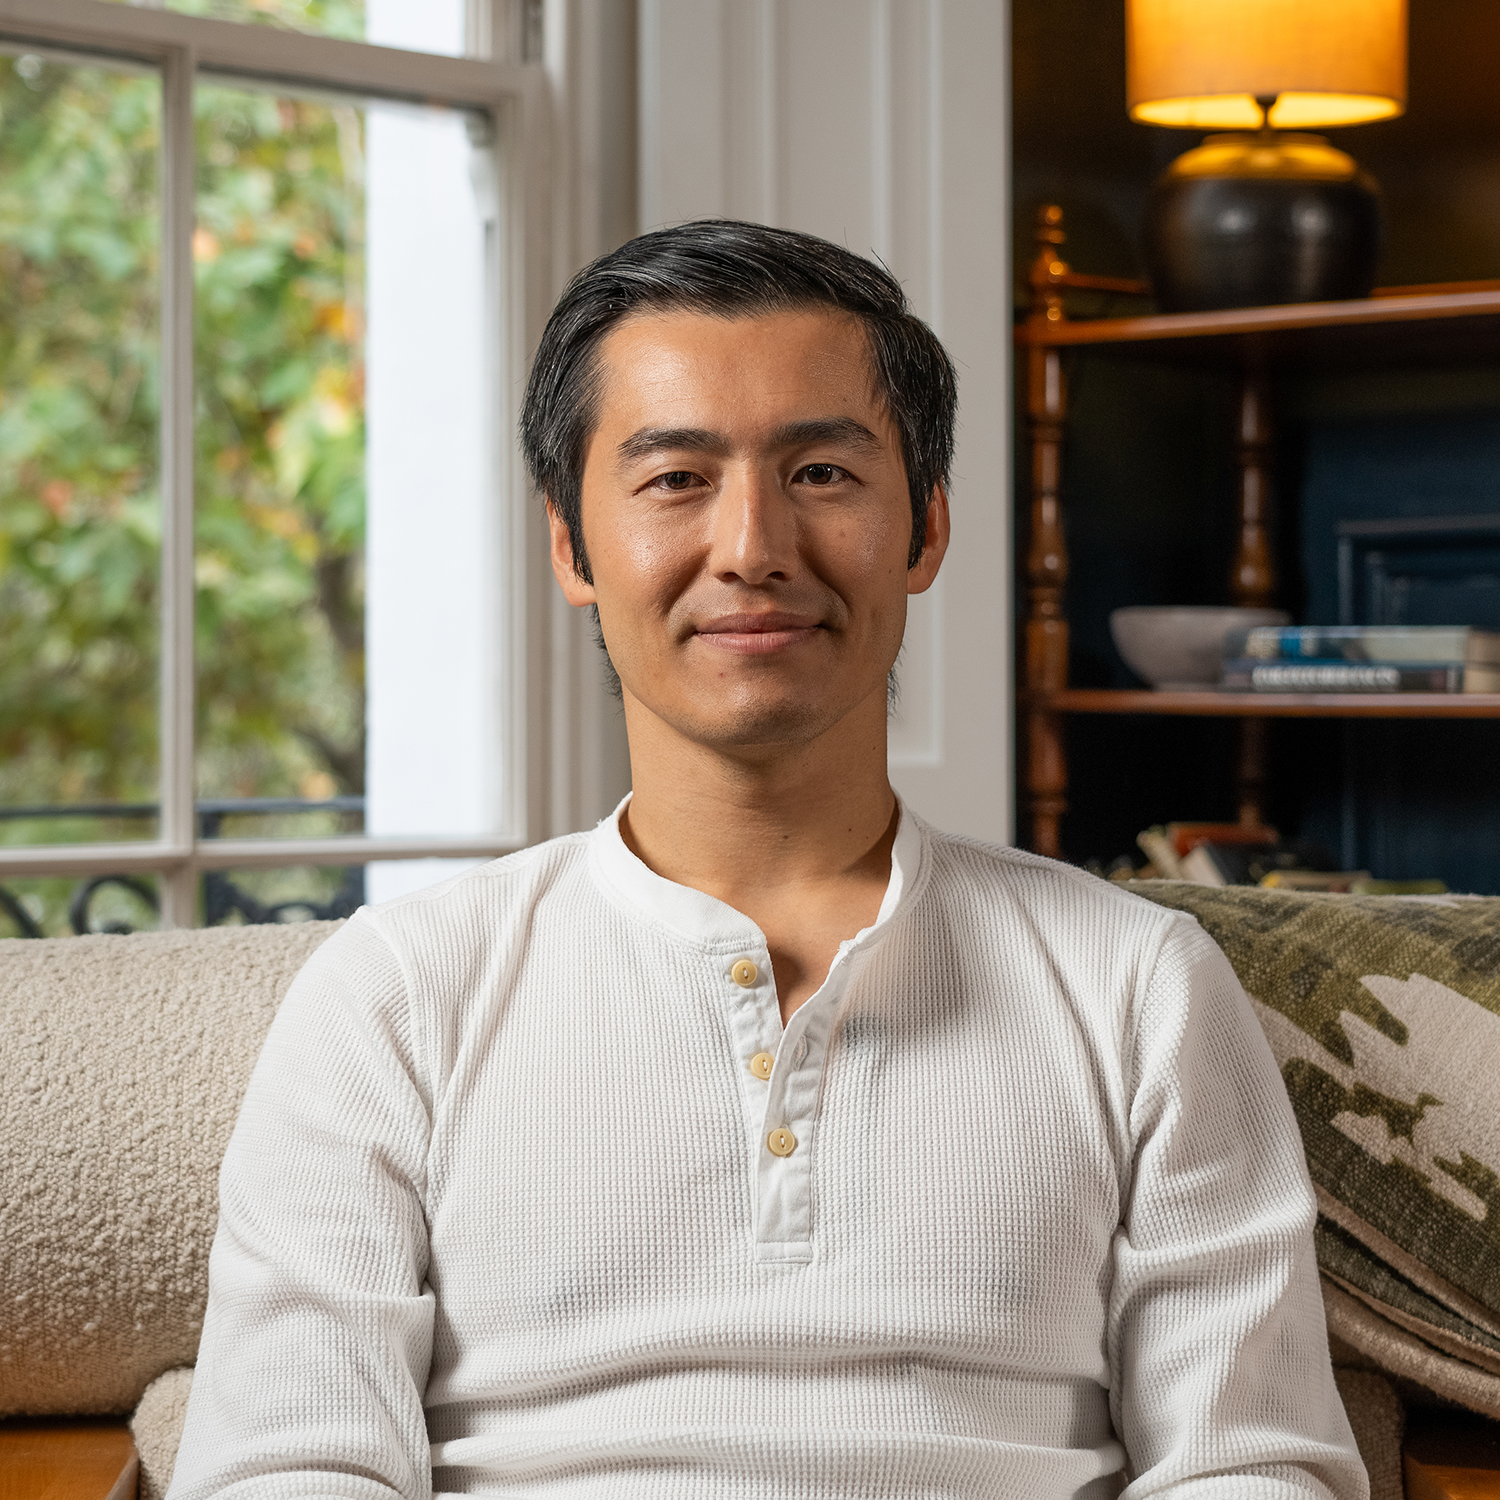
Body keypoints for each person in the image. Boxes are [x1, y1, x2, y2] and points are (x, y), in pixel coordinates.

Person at [169, 221, 1367, 1500]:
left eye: (823, 474)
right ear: (572, 546)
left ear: (925, 532)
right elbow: (285, 1468)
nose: (752, 547)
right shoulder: (398, 994)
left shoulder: (1138, 984)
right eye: (677, 478)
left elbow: (1252, 1466)